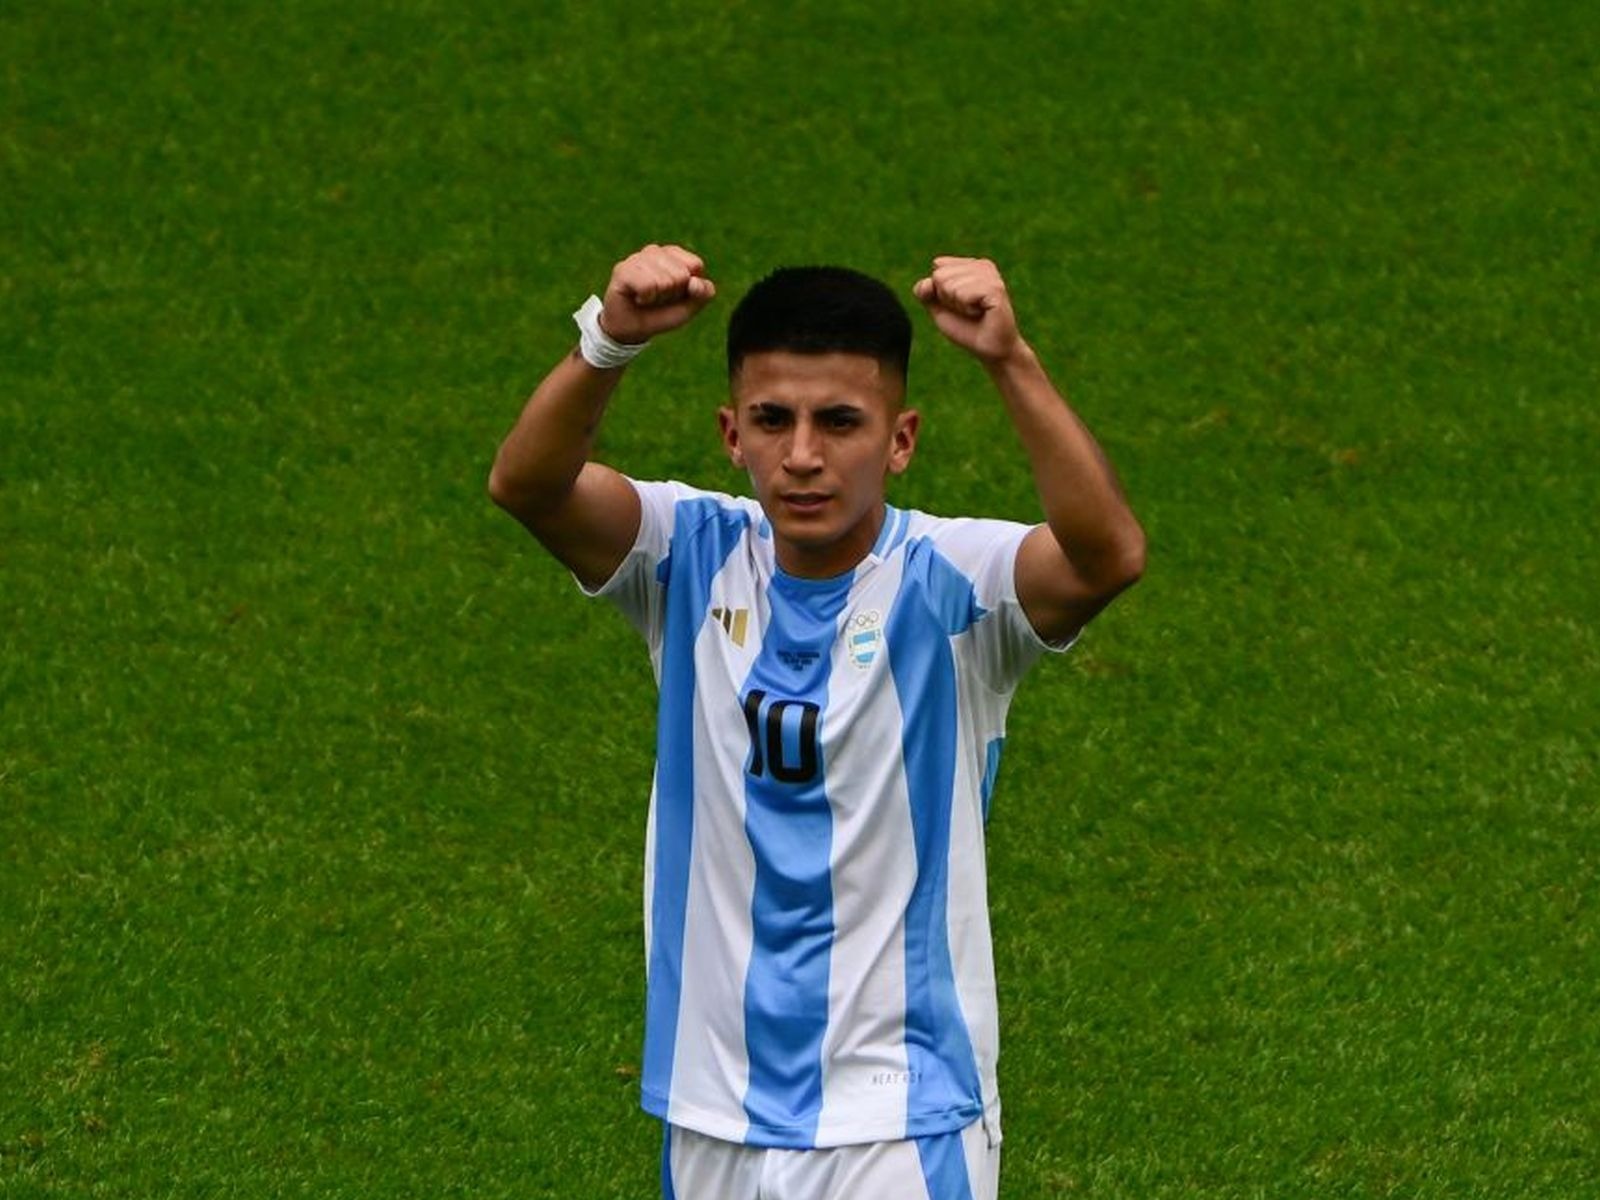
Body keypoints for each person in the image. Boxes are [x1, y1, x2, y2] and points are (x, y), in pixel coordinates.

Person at [489, 244, 1145, 1200]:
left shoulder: (956, 585)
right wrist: (608, 343)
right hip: (712, 1107)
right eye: (773, 420)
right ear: (731, 433)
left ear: (901, 440)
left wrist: (1010, 361)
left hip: (901, 1119)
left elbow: (1106, 556)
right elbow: (528, 487)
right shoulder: (687, 555)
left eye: (840, 422)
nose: (802, 456)